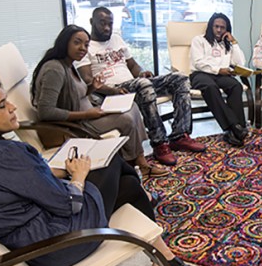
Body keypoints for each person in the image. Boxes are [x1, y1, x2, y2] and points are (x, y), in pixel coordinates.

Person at [0, 76, 200, 266]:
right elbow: (67, 204)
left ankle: (164, 260)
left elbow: (17, 183)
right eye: (2, 105)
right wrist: (78, 176)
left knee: (128, 186)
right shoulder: (5, 155)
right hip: (57, 244)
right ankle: (152, 217)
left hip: (33, 243)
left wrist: (57, 172)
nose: (13, 108)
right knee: (110, 162)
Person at [31, 25, 168, 179]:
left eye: (86, 44)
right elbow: (46, 111)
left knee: (132, 106)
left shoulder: (69, 65)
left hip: (87, 115)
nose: (82, 48)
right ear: (64, 42)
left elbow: (76, 95)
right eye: (77, 42)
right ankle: (132, 168)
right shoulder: (54, 69)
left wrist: (91, 88)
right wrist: (87, 114)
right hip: (74, 125)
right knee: (126, 120)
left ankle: (139, 161)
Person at [76, 7, 206, 166]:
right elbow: (89, 81)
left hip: (135, 84)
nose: (107, 28)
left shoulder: (116, 39)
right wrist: (112, 89)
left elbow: (132, 65)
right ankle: (159, 143)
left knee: (180, 79)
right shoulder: (85, 47)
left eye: (110, 24)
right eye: (102, 23)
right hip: (111, 92)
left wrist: (142, 72)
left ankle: (179, 136)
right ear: (91, 22)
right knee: (143, 85)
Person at [190, 13, 248, 146]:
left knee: (236, 86)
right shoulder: (199, 40)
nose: (219, 30)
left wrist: (233, 42)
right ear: (211, 26)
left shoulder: (226, 44)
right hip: (200, 74)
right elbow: (198, 62)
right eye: (216, 26)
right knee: (210, 87)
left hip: (221, 75)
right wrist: (218, 70)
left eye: (222, 27)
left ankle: (234, 134)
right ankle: (236, 126)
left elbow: (240, 63)